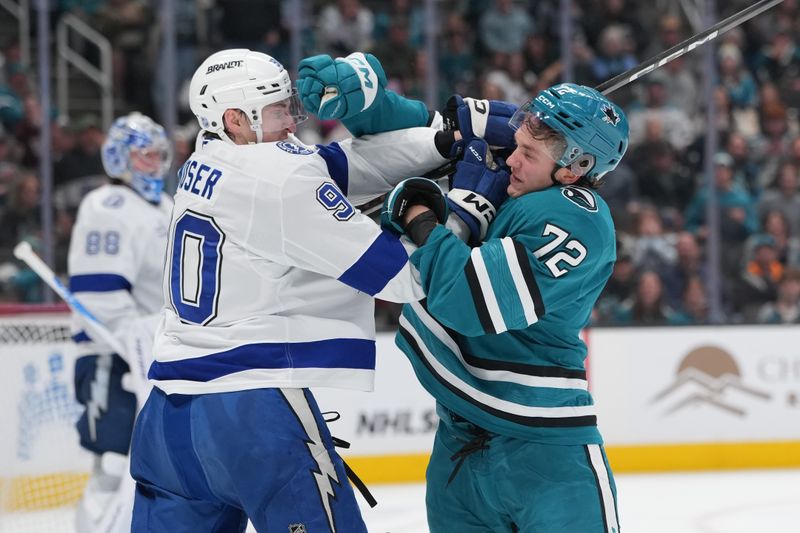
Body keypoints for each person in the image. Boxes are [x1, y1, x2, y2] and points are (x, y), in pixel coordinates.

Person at [128, 48, 473, 533]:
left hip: (167, 417)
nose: (291, 121)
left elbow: (338, 165)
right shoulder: (280, 178)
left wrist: (444, 143)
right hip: (250, 414)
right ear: (235, 118)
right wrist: (465, 204)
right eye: (277, 110)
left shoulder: (208, 157)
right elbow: (405, 278)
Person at [385, 83, 628, 532]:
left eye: (528, 154)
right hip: (458, 445)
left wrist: (423, 218)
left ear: (576, 170)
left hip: (543, 453)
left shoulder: (578, 214)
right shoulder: (515, 193)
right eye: (515, 146)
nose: (512, 160)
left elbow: (467, 301)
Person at [67, 112, 173, 533]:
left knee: (163, 466)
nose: (154, 163)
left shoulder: (165, 205)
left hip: (158, 355)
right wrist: (136, 340)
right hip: (113, 357)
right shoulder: (107, 206)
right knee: (111, 463)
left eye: (159, 155)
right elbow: (100, 295)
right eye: (143, 155)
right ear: (118, 158)